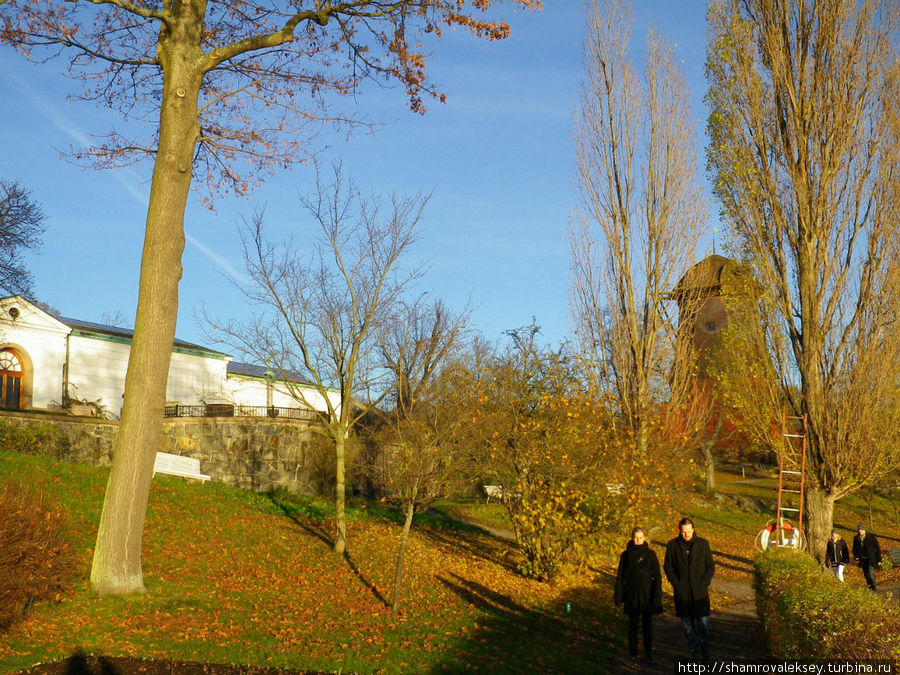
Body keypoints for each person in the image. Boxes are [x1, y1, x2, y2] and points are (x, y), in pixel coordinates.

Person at [664, 517, 715, 662]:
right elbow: (668, 567)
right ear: (679, 531)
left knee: (703, 624)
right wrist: (676, 583)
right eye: (683, 532)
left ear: (693, 529)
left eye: (688, 531)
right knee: (687, 626)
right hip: (683, 593)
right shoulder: (672, 545)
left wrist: (704, 582)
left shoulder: (703, 544)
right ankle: (694, 650)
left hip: (700, 593)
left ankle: (704, 650)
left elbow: (710, 566)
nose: (686, 535)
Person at [614, 527, 663, 662]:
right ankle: (633, 654)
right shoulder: (626, 555)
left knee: (647, 627)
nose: (638, 540)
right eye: (636, 537)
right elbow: (620, 577)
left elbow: (657, 576)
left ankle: (648, 655)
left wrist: (657, 596)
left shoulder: (651, 554)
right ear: (632, 538)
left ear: (644, 538)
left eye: (640, 537)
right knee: (633, 626)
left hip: (647, 596)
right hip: (632, 595)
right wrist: (618, 595)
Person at [852, 523, 882, 591]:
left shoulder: (871, 537)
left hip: (871, 559)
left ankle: (874, 589)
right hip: (862, 559)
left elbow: (877, 548)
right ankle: (870, 589)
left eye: (862, 529)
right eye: (859, 529)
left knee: (871, 574)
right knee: (866, 575)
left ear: (865, 530)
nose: (860, 531)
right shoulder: (856, 538)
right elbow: (854, 549)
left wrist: (879, 560)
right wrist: (856, 557)